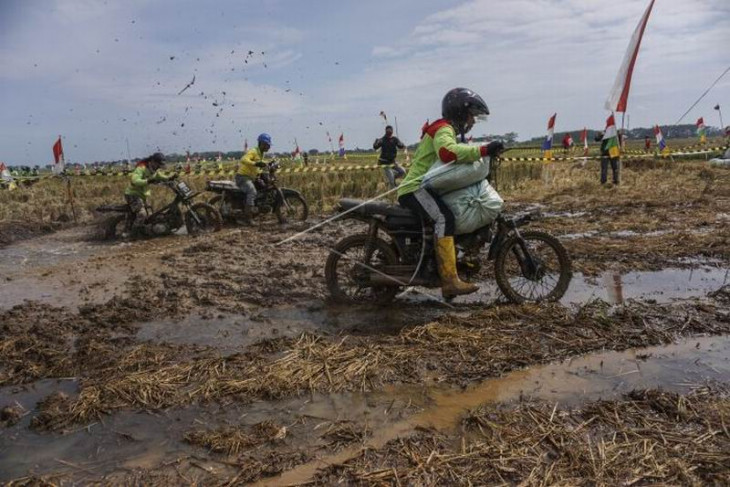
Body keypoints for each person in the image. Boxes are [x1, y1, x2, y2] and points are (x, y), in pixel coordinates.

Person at [397, 87, 505, 299]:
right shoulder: (443, 129)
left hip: (420, 188)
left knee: (445, 215)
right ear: (460, 112)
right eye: (471, 116)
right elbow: (447, 153)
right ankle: (449, 281)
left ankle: (443, 263)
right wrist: (483, 150)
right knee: (444, 218)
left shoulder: (446, 129)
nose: (473, 121)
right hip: (414, 189)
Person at [123, 152, 174, 235]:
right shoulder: (141, 168)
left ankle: (146, 232)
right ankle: (132, 233)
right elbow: (134, 180)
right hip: (133, 194)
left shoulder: (154, 170)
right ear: (153, 161)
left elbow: (160, 176)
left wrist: (170, 178)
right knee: (142, 214)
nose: (158, 167)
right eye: (158, 165)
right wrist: (148, 181)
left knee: (150, 216)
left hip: (143, 195)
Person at [236, 133, 271, 224]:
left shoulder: (261, 153)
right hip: (243, 177)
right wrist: (255, 164)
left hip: (251, 177)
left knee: (263, 188)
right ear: (261, 143)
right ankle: (248, 218)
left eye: (269, 145)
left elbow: (259, 163)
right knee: (252, 191)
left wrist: (268, 164)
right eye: (267, 145)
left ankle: (257, 209)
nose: (269, 147)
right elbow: (244, 159)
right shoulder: (254, 151)